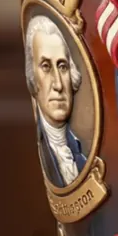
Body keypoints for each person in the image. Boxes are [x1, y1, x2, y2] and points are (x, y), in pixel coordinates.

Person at [26, 15, 88, 187]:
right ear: (32, 76)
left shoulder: (80, 155)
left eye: (62, 66)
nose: (58, 85)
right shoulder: (39, 149)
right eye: (46, 66)